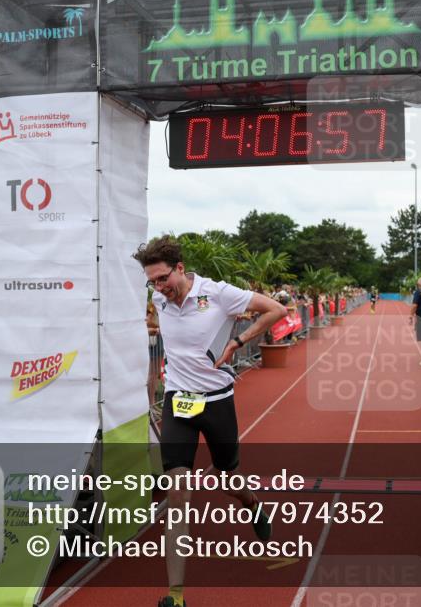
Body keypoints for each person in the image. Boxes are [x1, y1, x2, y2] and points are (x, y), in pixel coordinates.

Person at [133, 236, 287, 607]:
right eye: (153, 282)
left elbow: (275, 310)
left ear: (180, 269)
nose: (159, 288)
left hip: (217, 403)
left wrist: (239, 341)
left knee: (227, 478)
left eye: (164, 279)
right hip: (179, 403)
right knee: (178, 493)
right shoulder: (160, 300)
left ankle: (251, 503)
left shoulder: (217, 293)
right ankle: (176, 595)